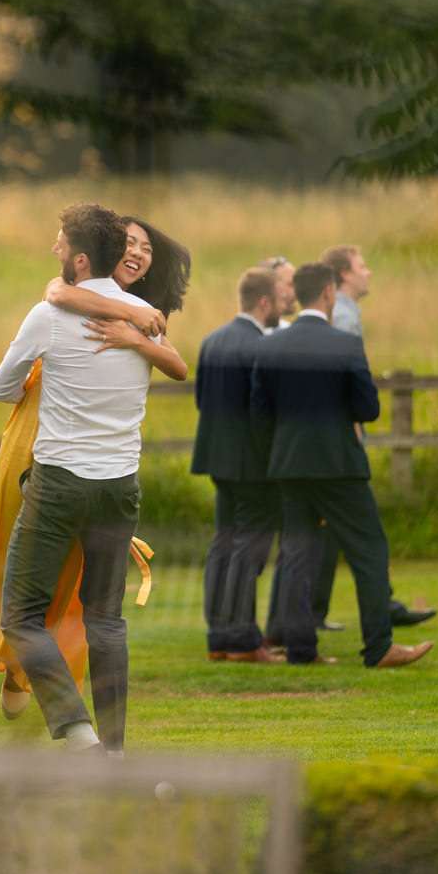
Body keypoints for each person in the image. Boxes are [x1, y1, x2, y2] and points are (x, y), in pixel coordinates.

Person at [0, 214, 190, 723]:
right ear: (111, 251)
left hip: (82, 465)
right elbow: (60, 294)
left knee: (67, 593)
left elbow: (178, 366)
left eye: (147, 247)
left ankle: (37, 685)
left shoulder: (142, 316)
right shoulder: (74, 300)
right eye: (129, 242)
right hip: (47, 447)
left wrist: (134, 334)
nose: (137, 252)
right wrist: (123, 314)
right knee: (14, 566)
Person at [249, 262, 432, 669]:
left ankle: (299, 649)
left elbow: (259, 415)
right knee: (369, 549)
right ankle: (379, 647)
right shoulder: (344, 344)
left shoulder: (269, 345)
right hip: (339, 465)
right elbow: (368, 408)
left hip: (290, 466)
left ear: (298, 293)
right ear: (329, 292)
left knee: (295, 554)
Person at [318, 243, 434, 630]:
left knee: (327, 531)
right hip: (344, 436)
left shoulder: (344, 314)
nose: (369, 272)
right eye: (362, 266)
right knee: (362, 531)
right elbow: (345, 385)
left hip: (330, 437)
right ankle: (383, 611)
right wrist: (354, 433)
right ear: (345, 275)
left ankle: (314, 613)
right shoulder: (345, 319)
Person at [192, 267, 284, 663]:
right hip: (255, 465)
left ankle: (219, 637)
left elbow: (201, 400)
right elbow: (266, 412)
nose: (283, 307)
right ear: (264, 302)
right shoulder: (263, 346)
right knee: (250, 548)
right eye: (280, 300)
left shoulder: (212, 342)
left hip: (217, 459)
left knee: (223, 545)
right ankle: (243, 640)